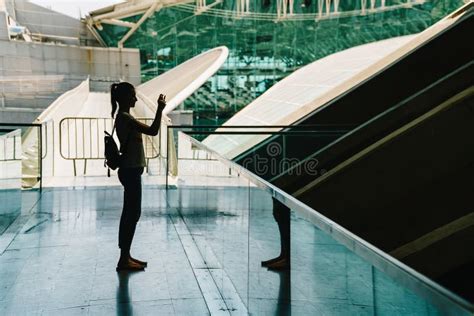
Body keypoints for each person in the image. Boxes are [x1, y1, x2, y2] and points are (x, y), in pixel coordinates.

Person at [111, 82, 166, 272]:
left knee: (130, 214)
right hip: (131, 171)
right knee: (132, 214)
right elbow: (153, 130)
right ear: (125, 98)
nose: (135, 99)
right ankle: (124, 258)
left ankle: (125, 255)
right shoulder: (126, 118)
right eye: (133, 95)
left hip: (129, 171)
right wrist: (159, 109)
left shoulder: (123, 117)